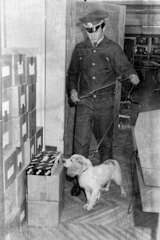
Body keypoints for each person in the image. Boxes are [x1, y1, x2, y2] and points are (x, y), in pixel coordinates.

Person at [66, 10, 140, 196]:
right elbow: (73, 74)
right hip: (84, 103)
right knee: (80, 143)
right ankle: (79, 181)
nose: (91, 34)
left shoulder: (113, 48)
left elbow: (125, 67)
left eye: (95, 30)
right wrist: (73, 90)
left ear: (103, 27)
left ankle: (105, 178)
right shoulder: (80, 49)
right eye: (88, 31)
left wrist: (132, 75)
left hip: (105, 104)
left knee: (105, 142)